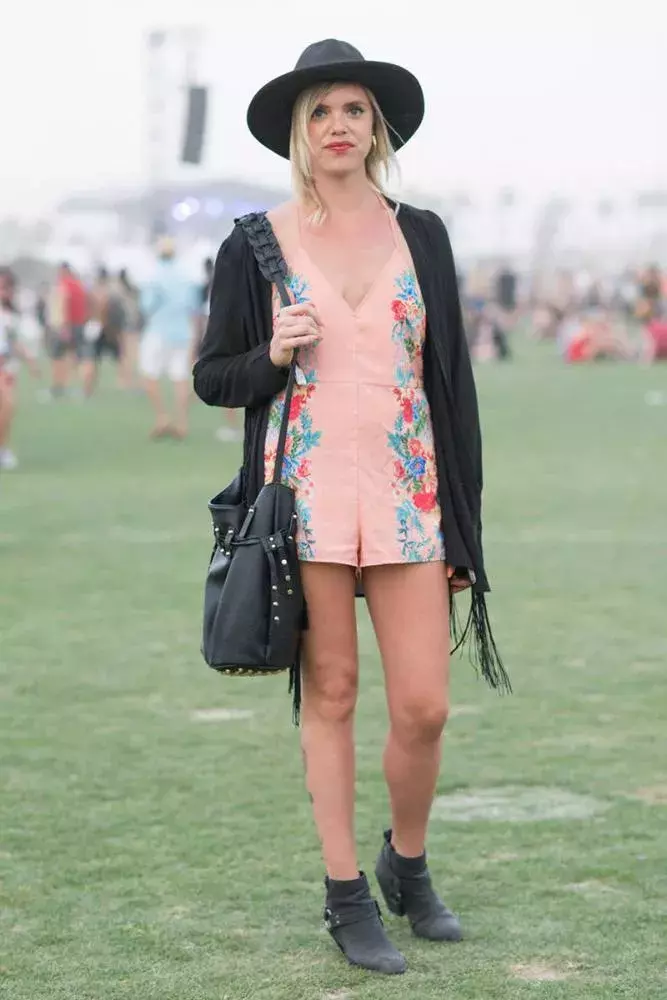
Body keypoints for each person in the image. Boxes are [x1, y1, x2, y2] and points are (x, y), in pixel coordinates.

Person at [194, 39, 509, 976]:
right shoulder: (255, 243)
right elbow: (214, 377)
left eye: (354, 110)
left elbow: (452, 389)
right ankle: (344, 897)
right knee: (330, 694)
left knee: (424, 707)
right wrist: (272, 356)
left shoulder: (424, 237)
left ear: (378, 129)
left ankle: (404, 864)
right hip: (307, 501)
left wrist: (464, 529)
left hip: (411, 494)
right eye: (321, 112)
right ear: (300, 132)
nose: (338, 126)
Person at [139, 236, 199, 439]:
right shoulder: (186, 276)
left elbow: (146, 305)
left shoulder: (153, 275)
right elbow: (193, 307)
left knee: (149, 374)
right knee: (180, 378)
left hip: (158, 330)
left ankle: (162, 417)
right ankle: (182, 422)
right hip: (183, 332)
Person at [0, 268, 39, 469]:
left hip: (6, 368)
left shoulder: (10, 316)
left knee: (8, 407)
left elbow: (14, 341)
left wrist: (30, 360)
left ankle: (3, 448)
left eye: (6, 287)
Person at [80, 266, 126, 397]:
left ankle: (88, 388)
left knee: (90, 359)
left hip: (94, 327)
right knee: (118, 357)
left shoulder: (91, 291)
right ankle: (123, 384)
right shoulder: (110, 292)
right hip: (107, 329)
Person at [45, 263, 88, 399]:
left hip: (65, 326)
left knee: (58, 357)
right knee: (75, 357)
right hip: (78, 324)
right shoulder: (79, 285)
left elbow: (64, 304)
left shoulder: (64, 285)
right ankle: (81, 388)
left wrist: (65, 326)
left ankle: (58, 387)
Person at [116, 268, 144, 390]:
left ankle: (126, 381)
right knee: (132, 355)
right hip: (134, 326)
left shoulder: (121, 292)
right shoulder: (134, 291)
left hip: (126, 326)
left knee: (126, 355)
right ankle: (131, 381)